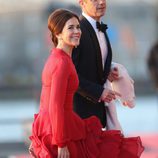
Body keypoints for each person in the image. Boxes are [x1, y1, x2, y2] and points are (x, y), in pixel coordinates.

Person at [29, 9, 144, 158]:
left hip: (56, 127)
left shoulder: (58, 58)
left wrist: (38, 134)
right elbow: (55, 105)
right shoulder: (62, 62)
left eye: (78, 27)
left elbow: (46, 100)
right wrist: (61, 143)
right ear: (58, 34)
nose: (77, 31)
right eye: (71, 28)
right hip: (62, 132)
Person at [72, 0, 119, 127]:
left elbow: (94, 61)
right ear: (82, 3)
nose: (102, 2)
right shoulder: (76, 30)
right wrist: (99, 92)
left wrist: (106, 71)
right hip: (80, 114)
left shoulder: (101, 27)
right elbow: (70, 74)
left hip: (99, 113)